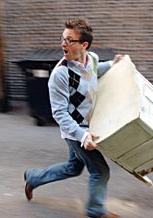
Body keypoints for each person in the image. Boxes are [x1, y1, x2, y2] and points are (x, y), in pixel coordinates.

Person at [24, 18, 122, 218]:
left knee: (73, 167)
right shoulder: (60, 75)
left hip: (90, 125)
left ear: (84, 45)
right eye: (62, 39)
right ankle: (95, 210)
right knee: (100, 171)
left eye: (69, 40)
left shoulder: (91, 58)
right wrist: (83, 136)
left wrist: (113, 64)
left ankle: (33, 177)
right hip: (76, 131)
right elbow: (59, 114)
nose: (63, 44)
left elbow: (94, 71)